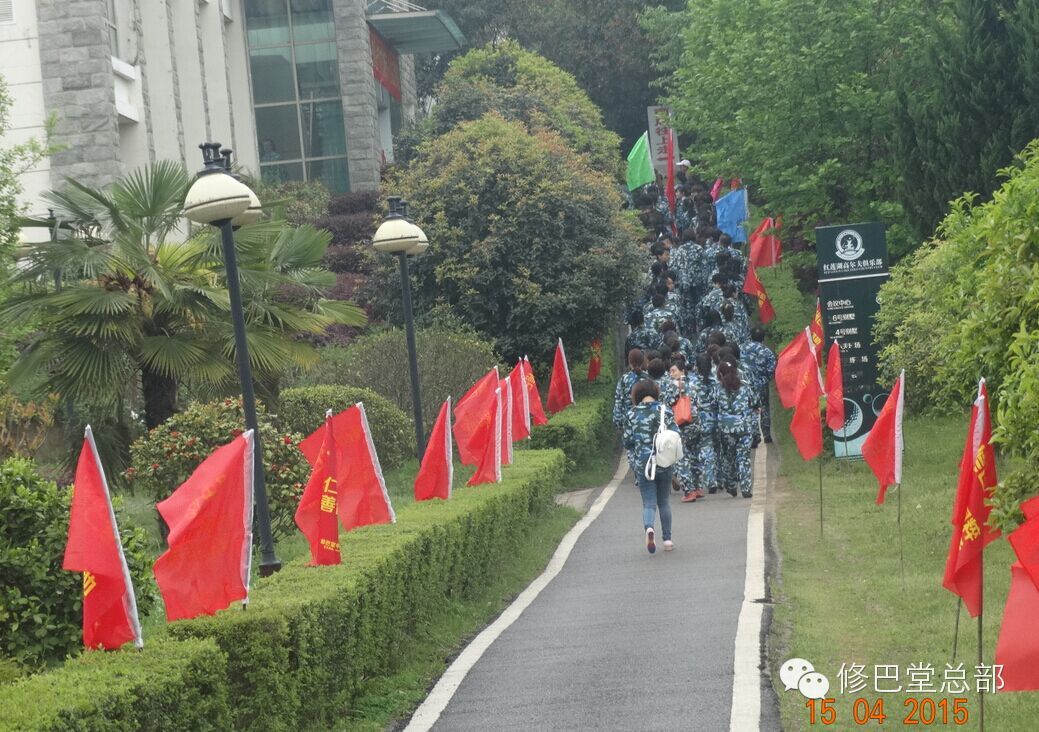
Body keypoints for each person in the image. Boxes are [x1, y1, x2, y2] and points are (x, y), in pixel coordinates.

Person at [623, 379, 679, 553]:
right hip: (663, 461)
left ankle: (649, 528)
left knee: (649, 503)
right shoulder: (665, 411)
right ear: (655, 392)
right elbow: (675, 435)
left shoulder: (631, 414)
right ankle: (668, 540)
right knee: (664, 501)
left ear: (637, 394)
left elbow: (628, 441)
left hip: (643, 463)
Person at [715, 360, 755, 498]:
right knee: (744, 458)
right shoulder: (745, 386)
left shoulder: (717, 389)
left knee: (728, 457)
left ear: (720, 373)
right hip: (744, 427)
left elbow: (713, 406)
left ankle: (731, 485)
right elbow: (755, 403)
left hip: (726, 429)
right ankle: (746, 488)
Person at [690, 352, 719, 495]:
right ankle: (714, 478)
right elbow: (717, 401)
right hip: (713, 418)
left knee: (697, 449)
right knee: (713, 448)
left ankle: (703, 479)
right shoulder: (715, 382)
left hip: (697, 420)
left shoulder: (692, 383)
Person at [742, 327, 777, 446]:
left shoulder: (743, 348)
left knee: (751, 408)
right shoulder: (767, 352)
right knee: (764, 408)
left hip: (747, 385)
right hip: (761, 384)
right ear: (763, 338)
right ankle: (766, 434)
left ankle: (755, 435)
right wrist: (764, 380)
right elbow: (772, 369)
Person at [613, 349, 647, 428]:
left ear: (629, 362)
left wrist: (617, 421)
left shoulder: (624, 379)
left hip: (628, 421)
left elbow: (618, 401)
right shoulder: (648, 378)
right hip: (646, 420)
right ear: (642, 361)